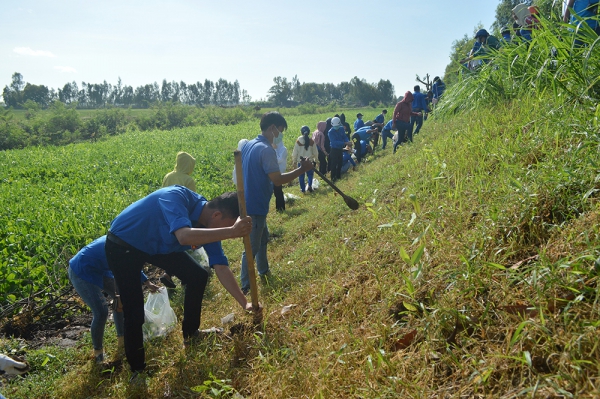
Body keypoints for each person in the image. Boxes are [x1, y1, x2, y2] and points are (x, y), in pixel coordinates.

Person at [104, 187, 256, 377]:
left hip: (156, 246)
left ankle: (191, 334)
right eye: (226, 226)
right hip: (123, 244)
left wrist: (245, 303)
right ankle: (137, 370)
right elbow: (184, 236)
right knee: (134, 310)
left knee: (198, 275)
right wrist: (231, 231)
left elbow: (221, 267)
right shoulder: (176, 197)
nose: (224, 232)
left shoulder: (208, 225)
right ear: (216, 214)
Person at [239, 112, 313, 295]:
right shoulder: (266, 150)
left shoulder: (249, 144)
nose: (280, 135)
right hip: (255, 205)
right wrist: (301, 170)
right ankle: (246, 287)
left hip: (250, 201)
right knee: (251, 247)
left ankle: (263, 271)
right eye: (280, 131)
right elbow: (278, 180)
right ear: (272, 128)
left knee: (263, 238)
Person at [69, 236, 159, 364]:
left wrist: (147, 282)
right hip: (81, 270)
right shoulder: (117, 244)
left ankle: (122, 341)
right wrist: (119, 295)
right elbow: (120, 273)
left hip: (101, 268)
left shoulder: (129, 242)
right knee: (101, 312)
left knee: (123, 300)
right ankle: (98, 354)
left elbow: (130, 264)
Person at [161, 151, 197, 289]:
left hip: (166, 214)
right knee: (184, 245)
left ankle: (168, 274)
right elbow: (192, 201)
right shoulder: (188, 180)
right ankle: (185, 276)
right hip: (181, 216)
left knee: (171, 246)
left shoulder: (168, 176)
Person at [291, 125, 319, 193]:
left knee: (301, 176)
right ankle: (309, 185)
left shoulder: (298, 141)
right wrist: (317, 160)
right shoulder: (311, 141)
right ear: (309, 132)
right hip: (309, 161)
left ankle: (303, 190)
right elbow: (315, 152)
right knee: (310, 175)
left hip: (300, 162)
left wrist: (294, 161)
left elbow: (295, 152)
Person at [328, 116, 352, 181]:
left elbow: (344, 136)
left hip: (340, 149)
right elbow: (334, 142)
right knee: (334, 164)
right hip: (334, 149)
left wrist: (347, 141)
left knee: (340, 163)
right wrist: (345, 143)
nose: (336, 127)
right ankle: (333, 178)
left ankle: (338, 176)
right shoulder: (330, 132)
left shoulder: (341, 129)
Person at [272, 130, 288, 212]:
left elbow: (279, 160)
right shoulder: (276, 149)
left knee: (278, 191)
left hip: (280, 172)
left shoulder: (283, 149)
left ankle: (281, 208)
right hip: (273, 172)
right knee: (276, 191)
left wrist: (273, 150)